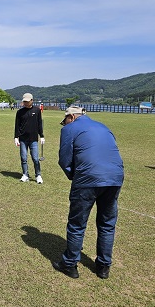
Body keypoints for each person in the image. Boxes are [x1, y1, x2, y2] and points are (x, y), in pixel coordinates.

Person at [52, 106, 124, 279]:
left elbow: (64, 159)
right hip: (115, 177)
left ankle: (70, 264)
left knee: (77, 223)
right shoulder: (103, 126)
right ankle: (103, 266)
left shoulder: (69, 128)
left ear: (71, 117)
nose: (65, 124)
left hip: (88, 178)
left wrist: (73, 175)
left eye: (65, 120)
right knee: (107, 224)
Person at [14, 93, 45, 184]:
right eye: (24, 101)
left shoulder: (37, 110)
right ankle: (25, 174)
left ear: (32, 101)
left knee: (35, 158)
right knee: (23, 158)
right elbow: (17, 125)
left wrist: (41, 136)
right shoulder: (20, 112)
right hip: (23, 139)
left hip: (33, 139)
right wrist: (16, 137)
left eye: (27, 101)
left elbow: (39, 124)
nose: (26, 103)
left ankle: (38, 175)